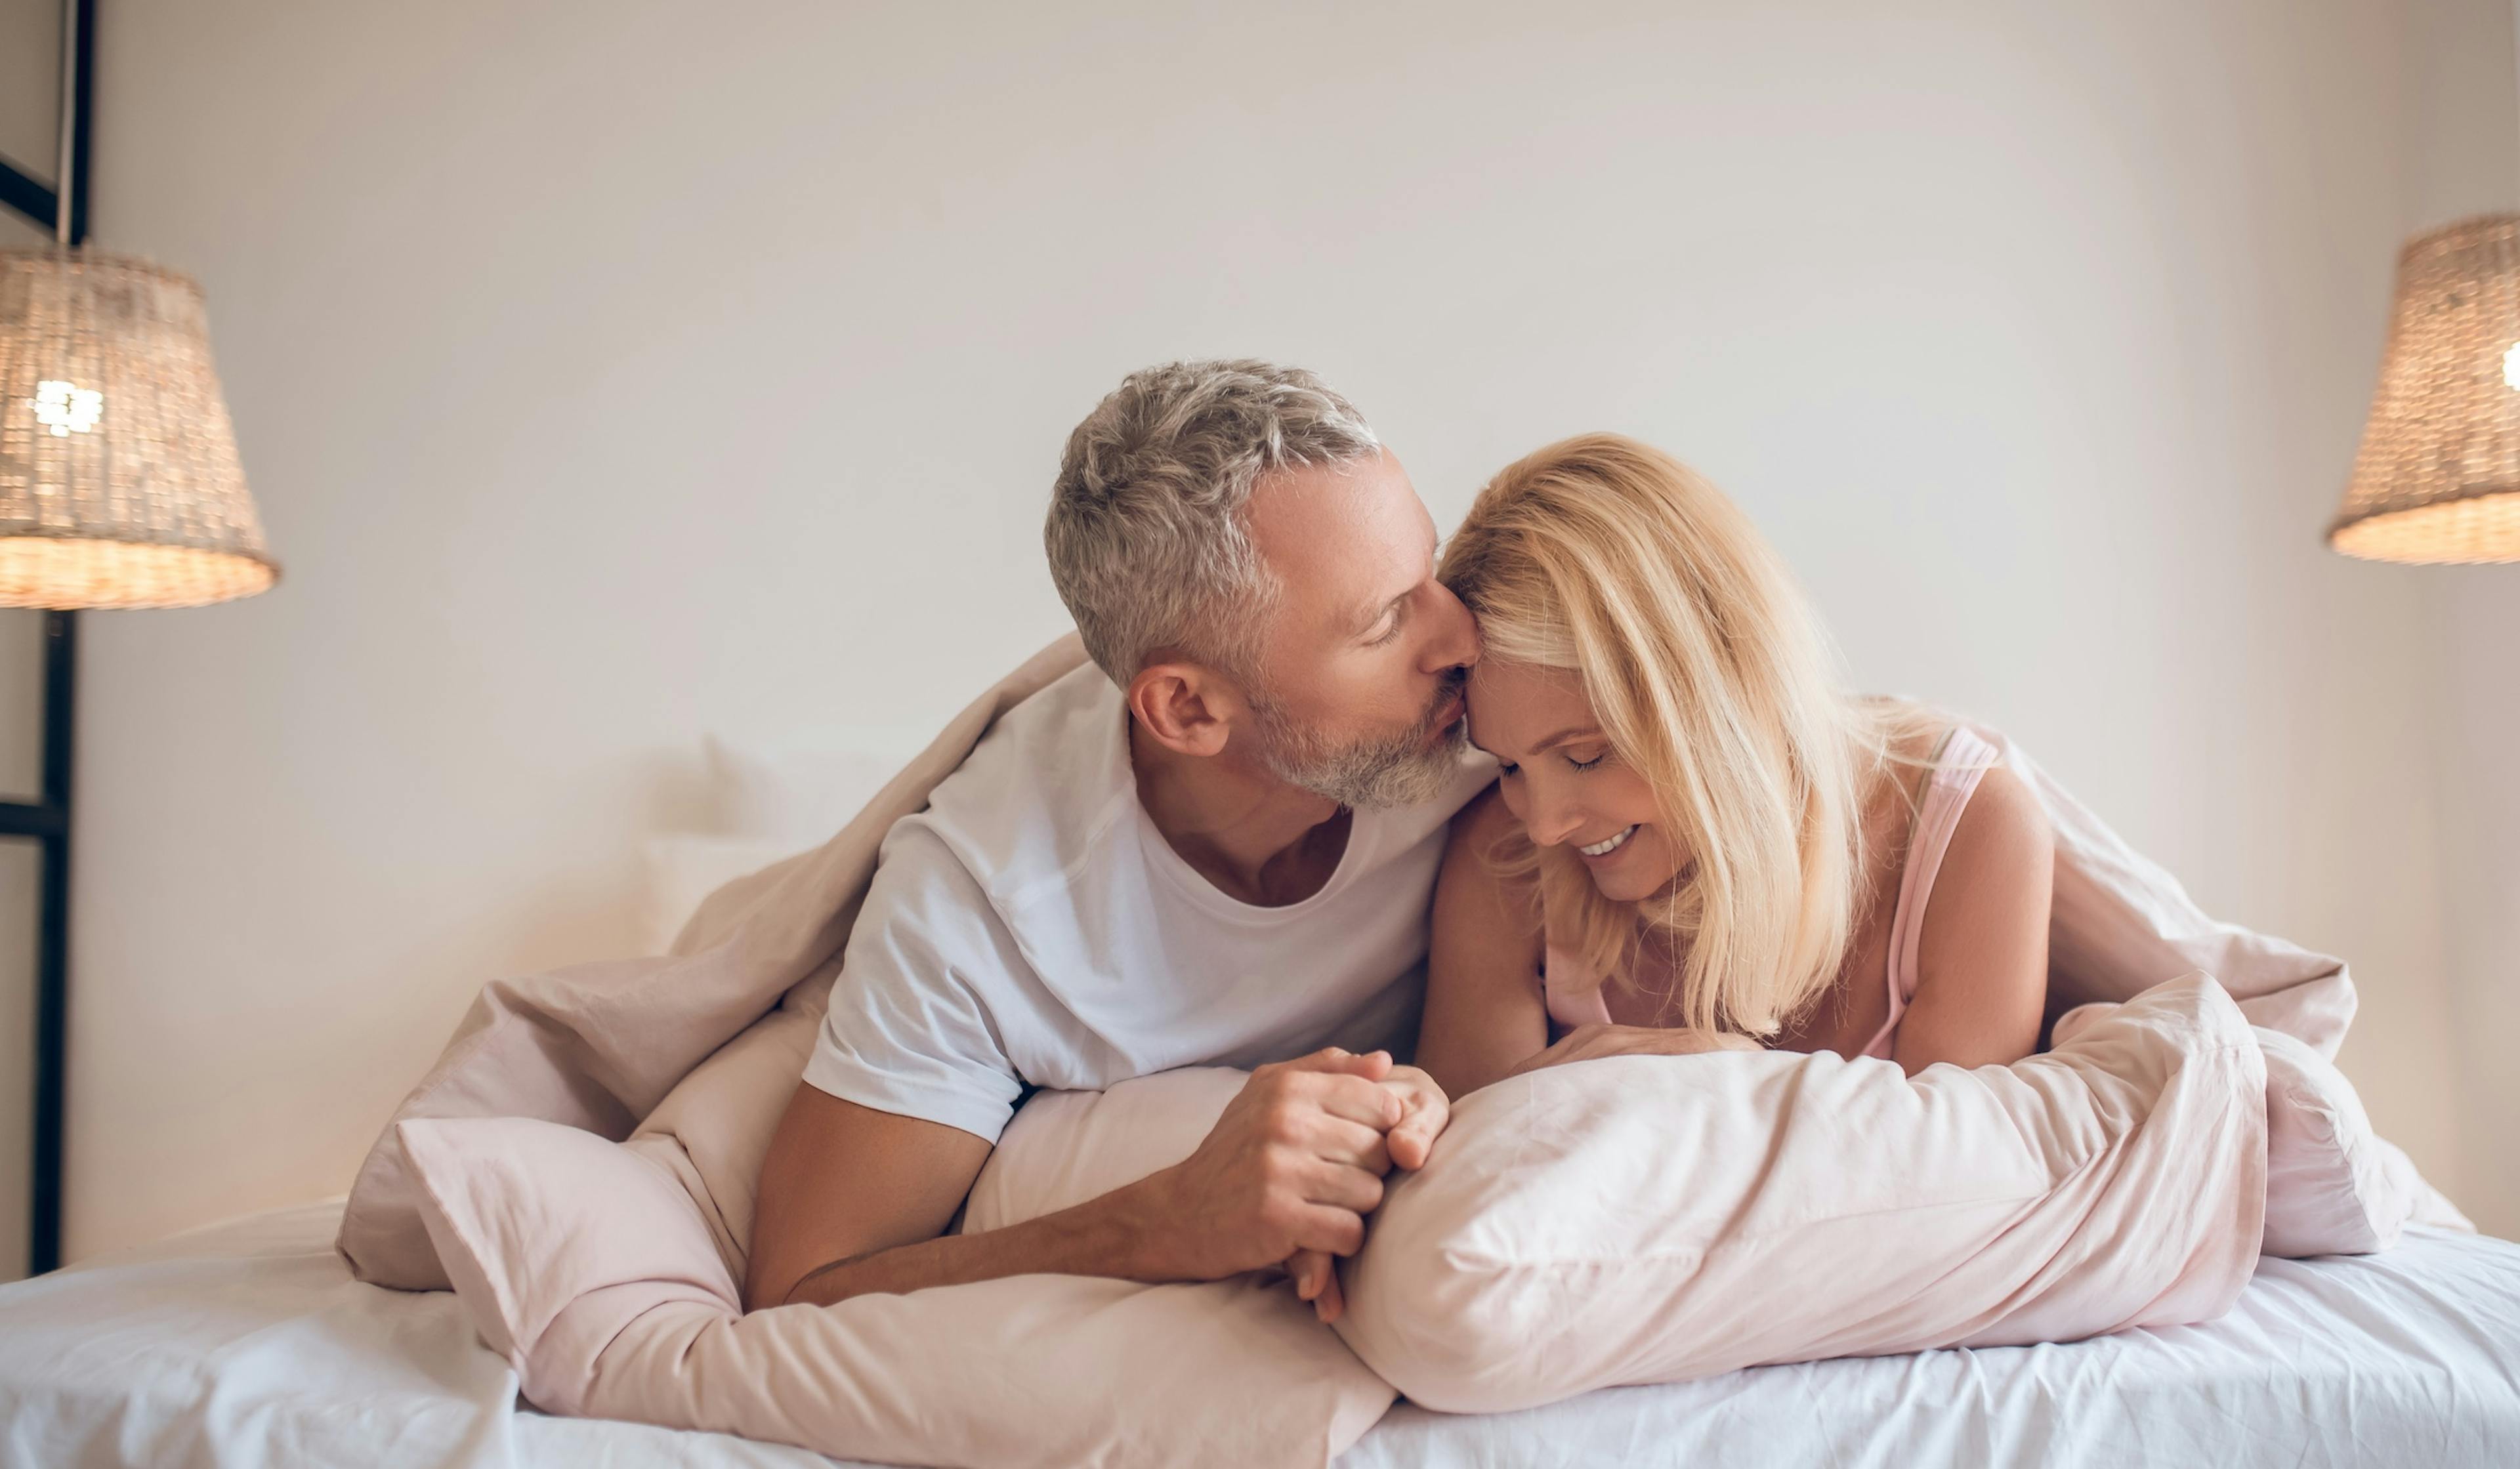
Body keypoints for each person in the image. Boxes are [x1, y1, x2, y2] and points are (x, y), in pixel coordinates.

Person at [744, 360, 1491, 1323]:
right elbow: (801, 1289)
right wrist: (1164, 1221)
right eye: (1387, 619)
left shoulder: (1494, 730)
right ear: (1187, 708)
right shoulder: (984, 909)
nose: (1463, 636)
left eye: (1428, 568)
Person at [1416, 433, 2055, 1100]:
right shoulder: (1504, 856)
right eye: (1511, 766)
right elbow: (1468, 1181)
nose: (1544, 824)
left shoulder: (1967, 833)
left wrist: (1736, 1080)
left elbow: (1955, 1193)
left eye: (1586, 755)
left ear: (1721, 691)